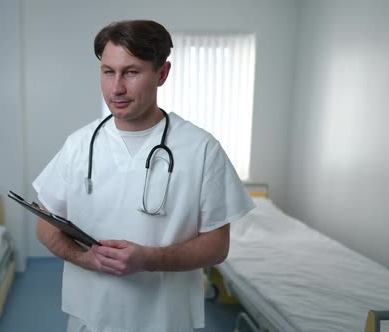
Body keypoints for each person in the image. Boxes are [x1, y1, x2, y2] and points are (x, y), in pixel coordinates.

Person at [33, 19, 254, 332]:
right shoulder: (79, 144)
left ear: (162, 74)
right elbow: (45, 226)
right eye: (108, 71)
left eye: (131, 72)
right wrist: (88, 260)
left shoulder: (201, 149)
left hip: (163, 319)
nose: (116, 88)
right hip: (89, 316)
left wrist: (149, 259)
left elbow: (217, 247)